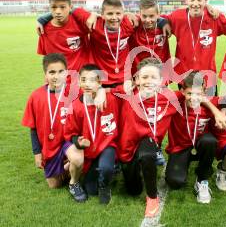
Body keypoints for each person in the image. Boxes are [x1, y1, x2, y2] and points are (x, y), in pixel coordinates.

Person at [117, 57, 181, 217]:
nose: (149, 81)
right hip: (127, 146)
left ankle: (152, 197)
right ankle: (131, 165)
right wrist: (100, 96)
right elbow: (96, 91)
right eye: (144, 77)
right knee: (133, 190)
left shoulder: (170, 97)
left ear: (161, 80)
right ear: (136, 79)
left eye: (154, 77)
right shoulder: (126, 94)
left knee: (147, 154)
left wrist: (216, 110)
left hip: (149, 141)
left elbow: (194, 94)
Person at [22, 53, 86, 202]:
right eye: (52, 72)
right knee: (54, 185)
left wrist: (102, 92)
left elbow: (94, 98)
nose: (56, 76)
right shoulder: (36, 96)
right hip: (50, 145)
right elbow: (32, 128)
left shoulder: (76, 92)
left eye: (61, 72)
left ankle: (74, 182)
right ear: (45, 74)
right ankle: (68, 168)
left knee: (77, 159)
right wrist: (37, 153)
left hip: (69, 140)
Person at [165, 71, 226, 204]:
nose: (193, 98)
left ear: (204, 93)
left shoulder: (209, 101)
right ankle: (183, 163)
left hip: (201, 147)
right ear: (182, 91)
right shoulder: (174, 100)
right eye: (189, 93)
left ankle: (202, 180)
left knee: (210, 141)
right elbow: (156, 91)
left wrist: (218, 111)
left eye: (198, 94)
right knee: (175, 182)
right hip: (180, 148)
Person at [64, 64, 120, 204]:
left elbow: (126, 89)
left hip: (107, 145)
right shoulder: (75, 106)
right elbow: (70, 132)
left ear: (99, 82)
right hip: (89, 151)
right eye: (83, 80)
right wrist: (78, 141)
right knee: (90, 190)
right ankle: (99, 172)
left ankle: (105, 185)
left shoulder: (111, 99)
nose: (87, 84)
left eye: (92, 80)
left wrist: (103, 91)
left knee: (106, 169)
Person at [164, 0, 226, 95]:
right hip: (184, 75)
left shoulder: (214, 17)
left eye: (199, 0)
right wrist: (163, 23)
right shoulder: (177, 17)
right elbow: (154, 18)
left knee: (209, 109)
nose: (195, 3)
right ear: (186, 0)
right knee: (187, 110)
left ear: (206, 0)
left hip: (208, 77)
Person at [36, 0, 92, 72]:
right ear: (49, 7)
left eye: (62, 7)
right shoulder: (44, 29)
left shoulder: (80, 22)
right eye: (54, 7)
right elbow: (47, 59)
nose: (58, 12)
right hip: (60, 81)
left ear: (70, 7)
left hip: (82, 79)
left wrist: (94, 15)